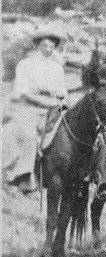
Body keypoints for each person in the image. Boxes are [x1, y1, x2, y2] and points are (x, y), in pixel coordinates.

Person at [3, 31, 68, 192]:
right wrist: (45, 100)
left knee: (66, 133)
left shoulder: (57, 68)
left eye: (52, 46)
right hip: (29, 107)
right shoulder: (25, 65)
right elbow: (23, 91)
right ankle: (22, 176)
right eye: (45, 45)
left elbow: (62, 90)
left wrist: (61, 98)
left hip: (52, 108)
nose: (48, 48)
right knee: (30, 137)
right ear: (38, 46)